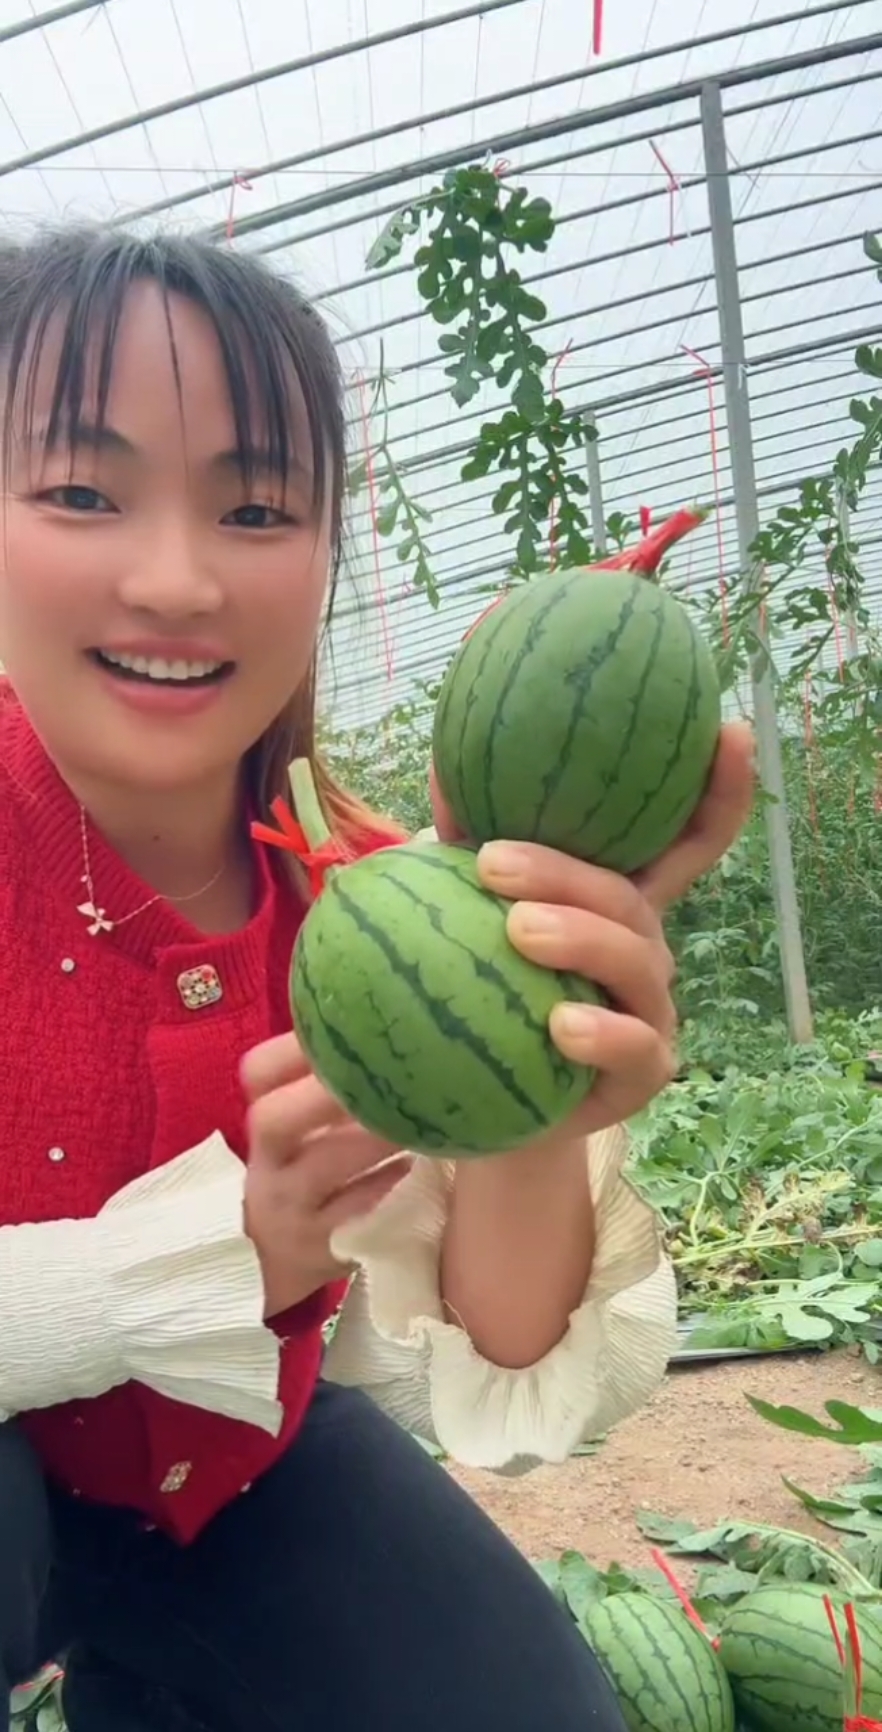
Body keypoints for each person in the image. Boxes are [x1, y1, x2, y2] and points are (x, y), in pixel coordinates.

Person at [0, 225, 754, 1732]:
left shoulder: (366, 902)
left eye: (258, 507)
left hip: (224, 1482)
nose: (176, 578)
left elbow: (499, 1356)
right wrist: (230, 1259)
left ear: (328, 548)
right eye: (83, 491)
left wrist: (537, 1086)